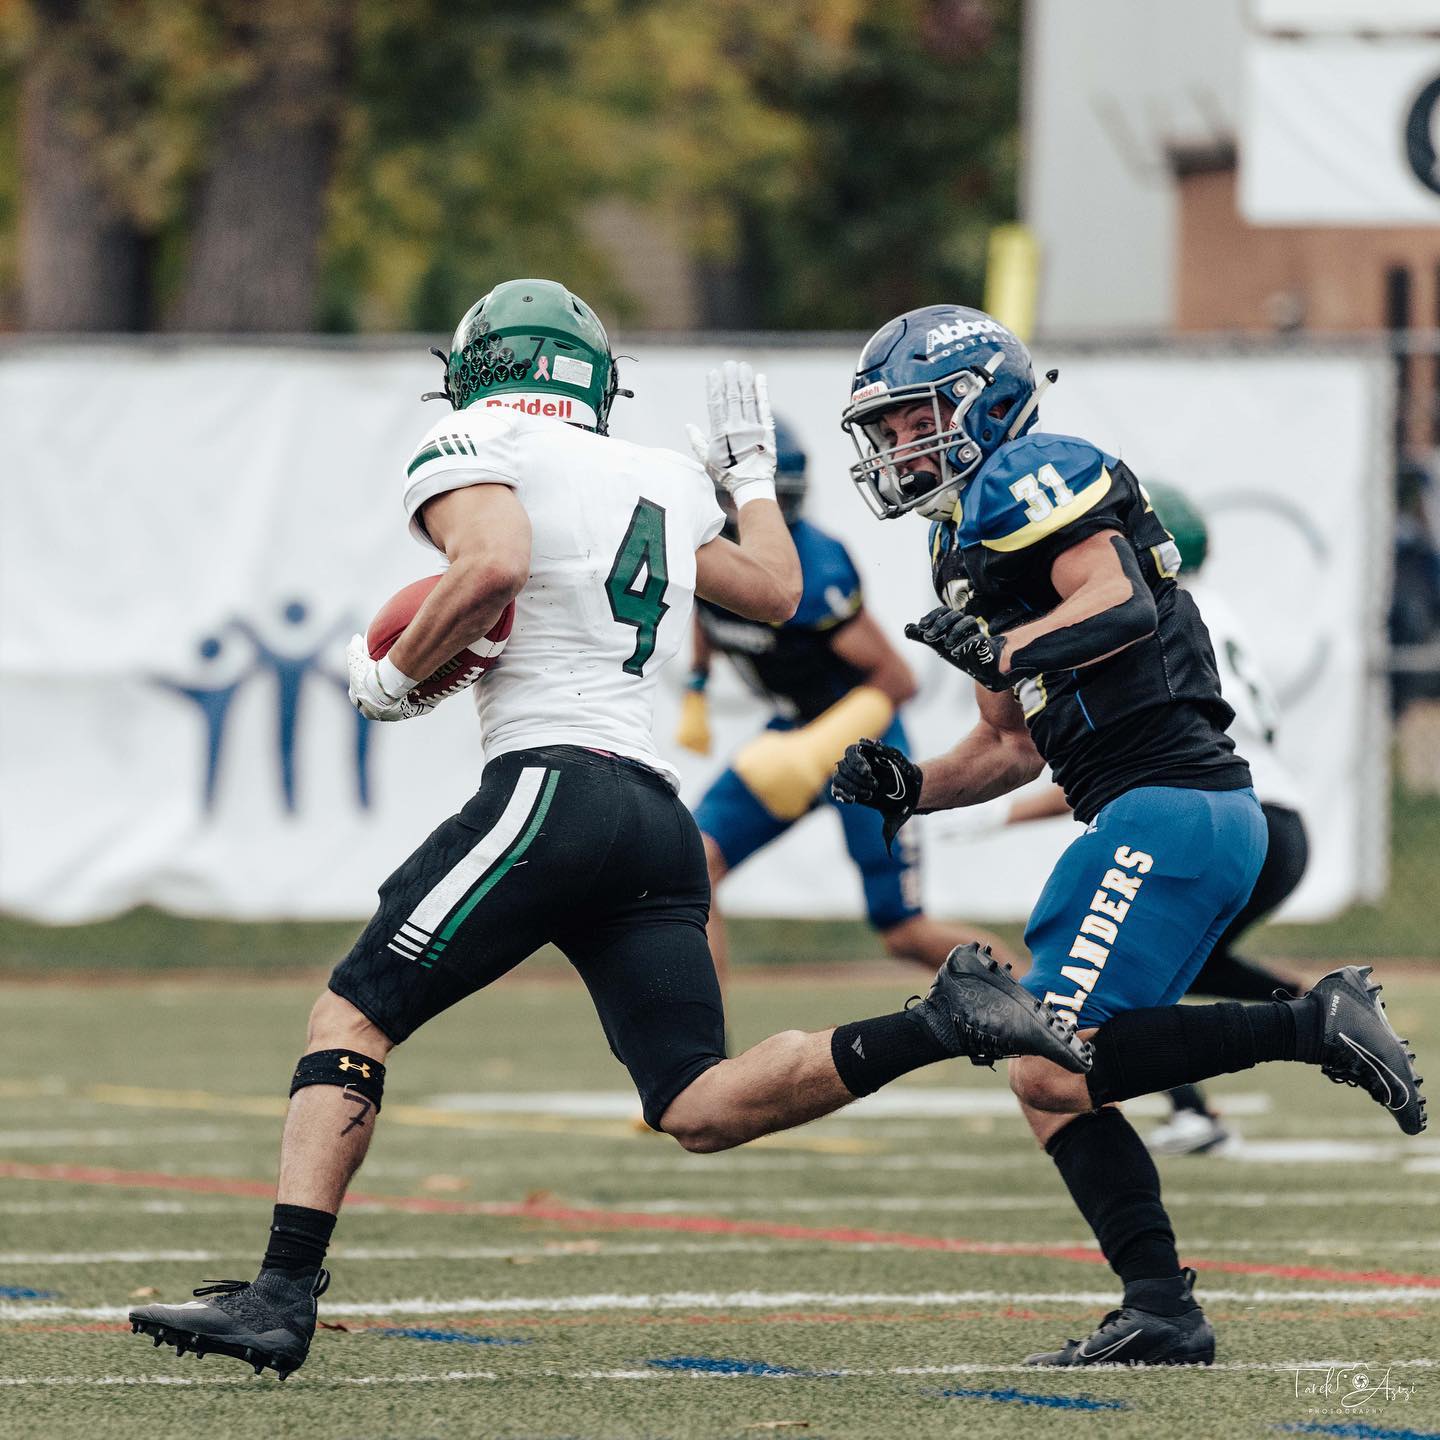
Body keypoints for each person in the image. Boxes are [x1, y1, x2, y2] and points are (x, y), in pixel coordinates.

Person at [128, 280, 1089, 1381]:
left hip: (552, 785)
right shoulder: (664, 477)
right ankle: (944, 1020)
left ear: (482, 368)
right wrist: (751, 483)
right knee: (696, 1103)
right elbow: (775, 589)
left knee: (354, 1009)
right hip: (651, 819)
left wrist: (394, 678)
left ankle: (280, 1296)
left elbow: (490, 564)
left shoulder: (470, 436)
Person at [829, 303, 1426, 1367]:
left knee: (1057, 1053)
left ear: (980, 403)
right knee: (1046, 1073)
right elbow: (1009, 748)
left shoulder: (1037, 470)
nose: (899, 448)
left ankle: (1311, 1024)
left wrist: (1007, 649)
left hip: (1175, 806)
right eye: (888, 430)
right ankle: (1161, 1307)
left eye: (913, 420)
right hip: (1151, 814)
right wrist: (908, 786)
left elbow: (1118, 604)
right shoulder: (959, 542)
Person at [1005, 481, 1308, 1155]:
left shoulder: (1162, 616)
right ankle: (1304, 1008)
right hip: (1268, 816)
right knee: (1154, 970)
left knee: (1122, 974)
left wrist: (1009, 811)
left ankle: (1296, 1030)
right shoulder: (1211, 610)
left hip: (1224, 808)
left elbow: (1157, 751)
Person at [677, 415, 1014, 986]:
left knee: (902, 931)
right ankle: (709, 1062)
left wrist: (815, 750)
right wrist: (697, 685)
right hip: (793, 728)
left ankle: (1047, 1005)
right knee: (691, 869)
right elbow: (711, 609)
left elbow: (896, 680)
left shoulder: (814, 567)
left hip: (865, 745)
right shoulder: (702, 551)